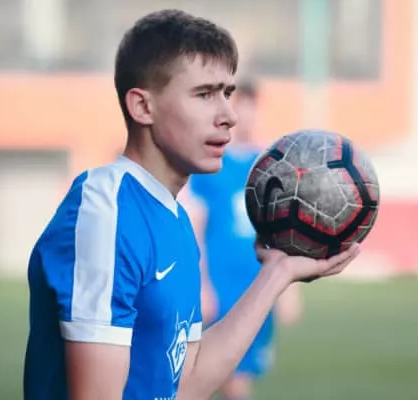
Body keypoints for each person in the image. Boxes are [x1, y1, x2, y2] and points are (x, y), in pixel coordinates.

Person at [22, 9, 359, 400]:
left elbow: (185, 383)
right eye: (204, 94)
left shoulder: (175, 218)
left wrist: (277, 273)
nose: (229, 116)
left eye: (227, 93)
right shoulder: (107, 212)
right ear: (142, 107)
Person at [181, 79, 303, 400]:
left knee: (241, 374)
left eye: (252, 108)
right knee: (219, 376)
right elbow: (195, 226)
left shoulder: (271, 166)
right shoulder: (210, 164)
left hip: (257, 280)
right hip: (220, 281)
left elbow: (283, 231)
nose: (246, 116)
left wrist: (289, 289)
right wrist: (200, 284)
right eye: (240, 108)